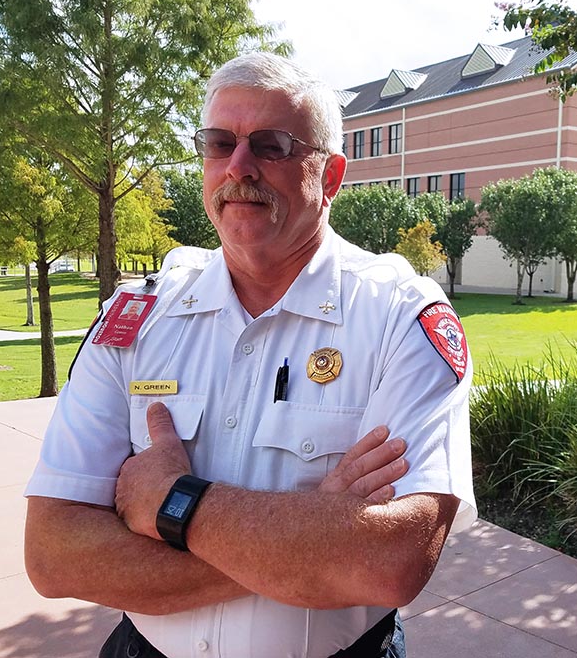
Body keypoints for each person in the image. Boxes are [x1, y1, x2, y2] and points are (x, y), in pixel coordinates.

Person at [24, 52, 476, 658]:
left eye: (271, 145)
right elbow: (54, 553)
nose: (239, 166)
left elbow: (391, 561)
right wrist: (310, 539)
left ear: (332, 176)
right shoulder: (138, 317)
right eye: (218, 143)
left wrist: (168, 502)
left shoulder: (399, 316)